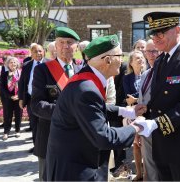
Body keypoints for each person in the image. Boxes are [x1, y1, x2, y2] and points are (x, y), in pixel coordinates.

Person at [45, 34, 148, 181]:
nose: (122, 61)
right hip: (75, 171)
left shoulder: (86, 80)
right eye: (120, 55)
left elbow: (97, 108)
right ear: (107, 60)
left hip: (73, 164)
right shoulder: (86, 90)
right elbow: (104, 137)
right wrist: (137, 127)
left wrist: (127, 111)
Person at [134, 11, 180, 181]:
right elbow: (160, 99)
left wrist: (156, 123)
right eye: (153, 34)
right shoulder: (160, 60)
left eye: (161, 33)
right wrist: (145, 111)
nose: (156, 38)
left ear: (178, 30)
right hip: (162, 144)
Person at [30, 26, 83, 181]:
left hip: (78, 139)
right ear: (56, 46)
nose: (65, 46)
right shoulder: (43, 70)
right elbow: (36, 105)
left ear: (76, 47)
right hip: (50, 138)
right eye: (61, 42)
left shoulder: (83, 70)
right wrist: (65, 113)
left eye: (69, 42)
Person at [138, 39, 161, 181]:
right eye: (148, 51)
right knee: (148, 163)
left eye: (155, 51)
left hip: (159, 124)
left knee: (160, 165)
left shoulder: (164, 74)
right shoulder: (145, 74)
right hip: (144, 125)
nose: (151, 55)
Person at [122, 50, 146, 181]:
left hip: (147, 113)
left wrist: (136, 98)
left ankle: (148, 174)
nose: (140, 59)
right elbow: (128, 95)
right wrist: (138, 98)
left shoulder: (149, 75)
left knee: (146, 145)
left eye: (142, 57)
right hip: (134, 113)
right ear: (131, 62)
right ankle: (139, 174)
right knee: (136, 144)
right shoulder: (127, 78)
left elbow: (147, 94)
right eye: (137, 58)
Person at [18, 44, 47, 152]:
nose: (38, 53)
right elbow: (22, 83)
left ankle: (47, 147)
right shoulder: (27, 65)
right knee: (34, 123)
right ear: (31, 53)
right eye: (35, 51)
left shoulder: (49, 64)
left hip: (46, 100)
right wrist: (21, 98)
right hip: (31, 99)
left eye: (40, 51)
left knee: (45, 124)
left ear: (43, 51)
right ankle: (37, 147)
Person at [0, 56, 22, 140]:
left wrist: (19, 95)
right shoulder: (4, 74)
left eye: (14, 62)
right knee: (7, 115)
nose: (13, 64)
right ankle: (6, 132)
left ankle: (17, 130)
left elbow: (23, 86)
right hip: (8, 98)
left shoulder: (20, 73)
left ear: (17, 64)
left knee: (18, 114)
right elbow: (1, 86)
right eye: (11, 62)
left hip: (18, 98)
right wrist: (10, 96)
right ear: (8, 64)